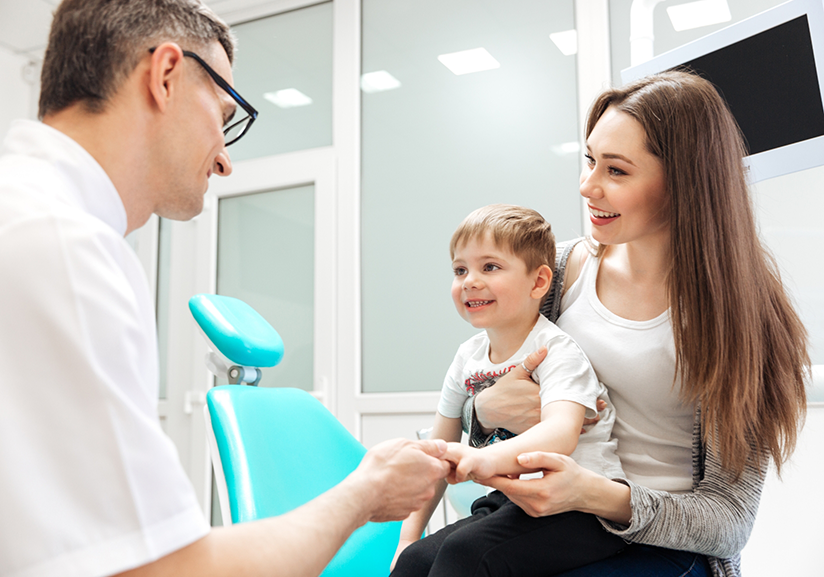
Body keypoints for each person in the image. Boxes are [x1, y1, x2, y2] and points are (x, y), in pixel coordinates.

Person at [0, 1, 450, 577]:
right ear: (165, 76)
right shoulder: (63, 247)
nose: (226, 162)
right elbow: (169, 571)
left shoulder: (33, 218)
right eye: (224, 111)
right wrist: (365, 495)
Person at [461, 70, 810, 577]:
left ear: (684, 182)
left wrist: (597, 494)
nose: (587, 186)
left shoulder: (744, 315)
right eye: (589, 161)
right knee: (421, 560)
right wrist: (484, 411)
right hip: (552, 519)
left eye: (617, 171)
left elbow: (728, 521)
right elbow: (482, 393)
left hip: (662, 546)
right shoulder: (555, 274)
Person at [391, 204, 626, 576]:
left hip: (581, 508)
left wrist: (484, 460)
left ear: (538, 282)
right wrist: (409, 536)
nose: (469, 280)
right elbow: (438, 452)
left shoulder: (557, 350)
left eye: (490, 267)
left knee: (466, 555)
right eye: (460, 270)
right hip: (513, 500)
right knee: (414, 561)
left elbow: (560, 434)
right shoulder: (466, 358)